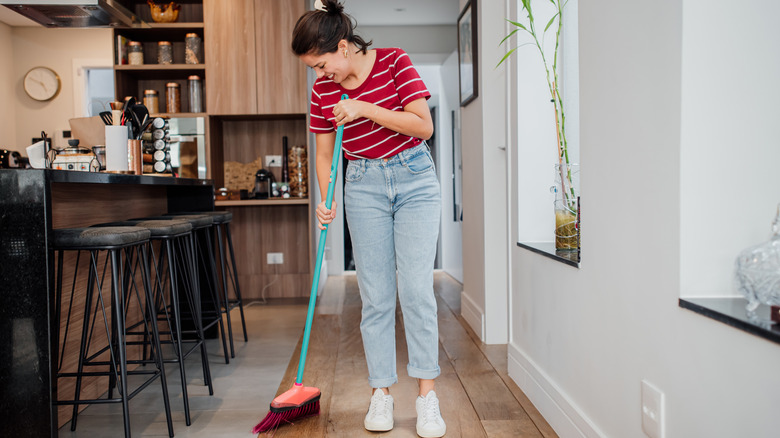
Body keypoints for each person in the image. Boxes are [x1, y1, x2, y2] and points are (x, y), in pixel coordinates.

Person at [291, 1, 445, 437]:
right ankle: (381, 394)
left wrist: (362, 108)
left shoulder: (395, 60)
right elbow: (324, 155)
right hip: (362, 184)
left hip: (414, 177)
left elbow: (424, 127)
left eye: (322, 65)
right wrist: (326, 197)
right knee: (375, 296)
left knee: (416, 290)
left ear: (343, 47)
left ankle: (426, 397)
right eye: (314, 69)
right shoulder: (322, 93)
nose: (321, 76)